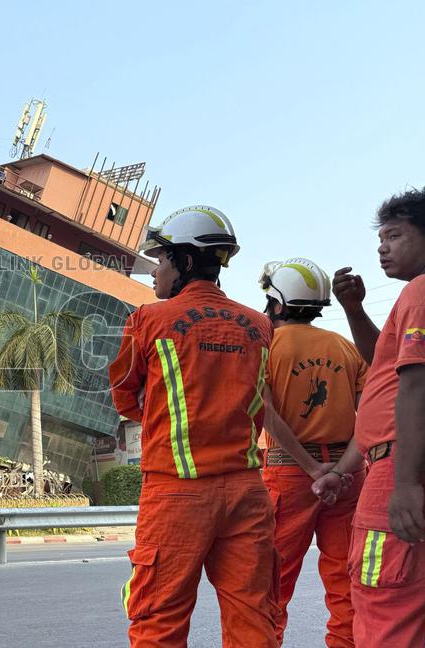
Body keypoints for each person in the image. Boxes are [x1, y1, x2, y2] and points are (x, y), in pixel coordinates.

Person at [109, 205, 278, 647]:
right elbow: (261, 403)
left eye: (159, 260)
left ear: (184, 262)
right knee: (253, 617)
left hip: (176, 493)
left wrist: (161, 415)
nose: (153, 272)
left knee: (157, 619)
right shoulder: (260, 327)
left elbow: (124, 393)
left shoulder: (148, 321)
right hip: (247, 490)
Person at [330, 185, 425, 645]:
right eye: (380, 238)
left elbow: (422, 385)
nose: (383, 247)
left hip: (415, 465)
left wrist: (405, 483)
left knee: (386, 607)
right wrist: (354, 311)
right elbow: (388, 364)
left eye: (396, 235)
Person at [258, 257, 367, 647]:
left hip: (291, 474)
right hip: (349, 474)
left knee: (274, 580)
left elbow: (264, 412)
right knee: (347, 582)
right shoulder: (345, 346)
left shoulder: (265, 345)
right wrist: (337, 471)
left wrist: (312, 469)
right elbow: (371, 414)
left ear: (279, 303)